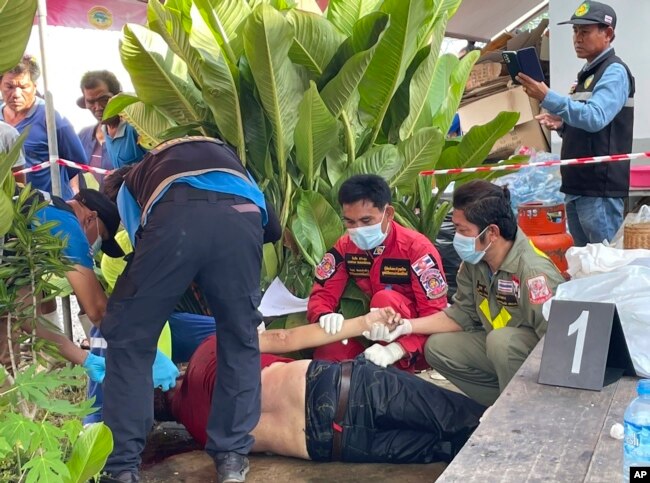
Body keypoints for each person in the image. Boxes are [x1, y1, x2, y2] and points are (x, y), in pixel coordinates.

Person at [98, 136, 281, 483]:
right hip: (241, 221)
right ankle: (231, 457)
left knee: (130, 335)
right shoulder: (230, 161)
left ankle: (121, 465)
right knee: (240, 338)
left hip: (176, 216)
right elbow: (271, 228)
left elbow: (146, 243)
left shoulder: (129, 185)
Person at [157, 314, 485, 465]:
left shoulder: (202, 434)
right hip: (340, 390)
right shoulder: (206, 353)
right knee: (471, 421)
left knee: (450, 451)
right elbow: (285, 339)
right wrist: (363, 322)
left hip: (336, 445)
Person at [365, 181, 565, 406]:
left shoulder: (532, 272)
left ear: (491, 233)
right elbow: (461, 314)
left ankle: (523, 408)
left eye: (463, 230)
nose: (456, 237)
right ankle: (501, 403)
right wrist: (406, 326)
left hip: (534, 358)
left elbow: (557, 341)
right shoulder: (477, 261)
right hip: (498, 349)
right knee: (438, 348)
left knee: (503, 341)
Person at [517, 1, 634, 247]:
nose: (577, 38)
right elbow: (589, 121)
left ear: (608, 34)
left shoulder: (613, 72)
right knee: (584, 264)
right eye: (575, 31)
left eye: (585, 31)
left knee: (602, 266)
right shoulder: (588, 73)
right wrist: (563, 124)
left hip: (598, 189)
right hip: (578, 186)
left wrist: (547, 96)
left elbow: (595, 118)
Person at [307, 174, 448, 371]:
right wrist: (323, 315)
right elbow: (323, 291)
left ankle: (398, 379)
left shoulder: (417, 249)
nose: (357, 229)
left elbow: (435, 316)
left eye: (366, 220)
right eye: (350, 222)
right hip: (364, 331)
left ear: (388, 213)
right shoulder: (346, 245)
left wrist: (398, 349)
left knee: (385, 300)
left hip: (411, 341)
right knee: (328, 354)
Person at [0, 55, 86, 200]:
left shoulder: (52, 119)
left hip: (48, 207)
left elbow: (77, 162)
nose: (16, 94)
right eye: (9, 86)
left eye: (23, 87)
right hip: (11, 207)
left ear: (34, 87)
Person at [77, 70, 147, 184]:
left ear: (117, 97)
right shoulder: (106, 130)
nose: (98, 107)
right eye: (91, 102)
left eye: (104, 100)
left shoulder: (136, 126)